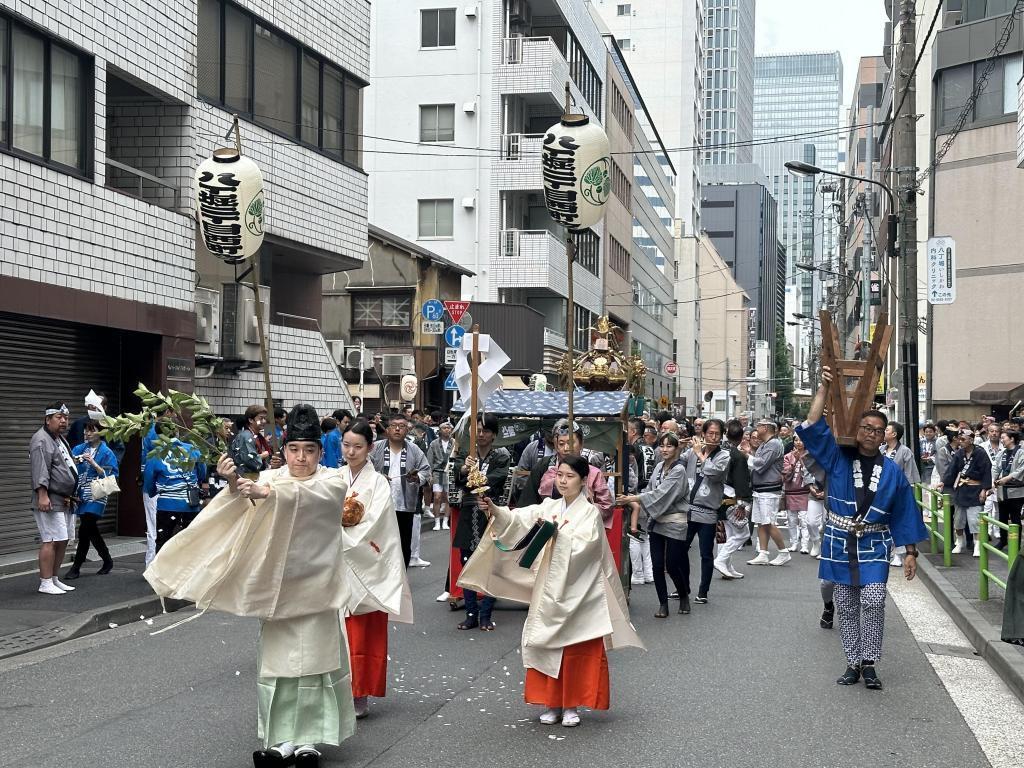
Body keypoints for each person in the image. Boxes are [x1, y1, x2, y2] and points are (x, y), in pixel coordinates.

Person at [145, 405, 355, 767]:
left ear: (321, 452)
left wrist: (268, 493)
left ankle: (309, 741)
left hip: (318, 589)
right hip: (277, 588)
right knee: (278, 669)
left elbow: (320, 502)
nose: (301, 457)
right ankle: (281, 740)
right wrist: (232, 483)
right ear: (284, 450)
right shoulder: (272, 478)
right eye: (294, 450)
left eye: (309, 450)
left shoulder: (332, 480)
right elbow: (241, 507)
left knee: (315, 668)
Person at [460, 455, 643, 727]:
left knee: (575, 649)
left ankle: (572, 705)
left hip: (579, 592)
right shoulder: (549, 507)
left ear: (583, 481)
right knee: (545, 644)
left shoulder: (590, 513)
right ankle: (552, 703)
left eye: (570, 476)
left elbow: (587, 548)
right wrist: (494, 509)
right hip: (549, 589)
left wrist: (556, 536)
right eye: (560, 475)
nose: (563, 480)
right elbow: (517, 519)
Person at [797, 366, 928, 690]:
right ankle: (853, 663)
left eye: (877, 429)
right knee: (845, 604)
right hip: (839, 540)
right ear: (857, 430)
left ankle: (870, 661)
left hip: (874, 542)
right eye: (866, 427)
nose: (871, 433)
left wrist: (910, 553)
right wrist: (824, 388)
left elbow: (904, 512)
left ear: (885, 435)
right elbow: (812, 426)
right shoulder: (837, 457)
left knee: (873, 598)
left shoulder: (893, 472)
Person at [339, 420, 413, 720]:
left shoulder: (378, 484)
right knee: (336, 632)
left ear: (370, 448)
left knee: (363, 632)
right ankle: (337, 690)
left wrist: (339, 534)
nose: (351, 451)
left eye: (358, 446)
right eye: (346, 445)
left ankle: (361, 692)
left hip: (364, 565)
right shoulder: (333, 477)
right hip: (335, 564)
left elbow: (376, 526)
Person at [616, 433, 689, 617]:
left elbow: (662, 494)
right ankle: (663, 603)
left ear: (676, 448)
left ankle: (683, 595)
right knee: (657, 565)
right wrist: (637, 497)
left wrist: (633, 498)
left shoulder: (679, 470)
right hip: (657, 520)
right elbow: (650, 491)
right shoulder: (658, 467)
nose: (665, 449)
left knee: (672, 564)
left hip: (674, 520)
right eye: (662, 446)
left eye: (669, 446)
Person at [451, 413, 512, 631]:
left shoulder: (501, 456)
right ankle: (470, 614)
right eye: (477, 429)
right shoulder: (466, 455)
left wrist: (475, 479)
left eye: (486, 430)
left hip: (491, 511)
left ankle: (485, 614)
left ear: (494, 434)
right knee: (468, 563)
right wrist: (466, 469)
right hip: (469, 512)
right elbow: (459, 481)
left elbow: (497, 479)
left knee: (491, 565)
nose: (481, 434)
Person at [519, 419, 613, 528]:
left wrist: (585, 509)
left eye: (571, 443)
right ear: (555, 445)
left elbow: (606, 506)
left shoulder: (594, 473)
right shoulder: (546, 468)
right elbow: (531, 502)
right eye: (561, 444)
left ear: (581, 443)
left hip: (583, 528)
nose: (566, 448)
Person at [30, 403, 79, 595]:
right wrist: (42, 495)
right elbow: (40, 469)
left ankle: (54, 578)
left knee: (63, 539)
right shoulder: (41, 440)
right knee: (50, 539)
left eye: (66, 417)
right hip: (49, 497)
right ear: (47, 419)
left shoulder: (59, 439)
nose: (64, 421)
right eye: (59, 417)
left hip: (64, 498)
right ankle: (45, 582)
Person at [369, 414, 430, 566]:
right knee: (380, 545)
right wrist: (377, 476)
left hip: (405, 505)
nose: (397, 429)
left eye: (402, 426)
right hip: (380, 506)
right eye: (393, 426)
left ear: (407, 430)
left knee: (403, 545)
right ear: (387, 429)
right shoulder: (376, 447)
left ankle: (401, 580)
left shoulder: (414, 450)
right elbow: (364, 466)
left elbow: (426, 470)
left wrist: (417, 478)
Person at [680, 419, 730, 603]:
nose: (714, 437)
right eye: (710, 433)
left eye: (717, 434)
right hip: (688, 509)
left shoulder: (724, 455)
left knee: (706, 554)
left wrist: (700, 454)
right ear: (703, 434)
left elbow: (714, 473)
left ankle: (703, 592)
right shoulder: (693, 451)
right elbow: (678, 461)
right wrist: (676, 445)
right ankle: (682, 587)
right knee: (680, 550)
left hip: (708, 511)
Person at [64, 421, 118, 579]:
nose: (87, 434)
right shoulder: (79, 449)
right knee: (91, 530)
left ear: (101, 432)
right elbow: (68, 467)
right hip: (81, 494)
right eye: (86, 431)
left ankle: (76, 567)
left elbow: (111, 476)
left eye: (91, 431)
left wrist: (94, 463)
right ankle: (107, 560)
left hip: (97, 494)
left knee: (85, 528)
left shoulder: (107, 452)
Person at [144, 423, 207, 553]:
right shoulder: (193, 450)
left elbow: (149, 483)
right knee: (191, 544)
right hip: (191, 504)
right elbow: (202, 473)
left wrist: (154, 492)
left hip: (166, 505)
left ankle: (163, 572)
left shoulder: (155, 454)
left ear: (159, 436)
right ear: (177, 431)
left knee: (163, 543)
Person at [744, 420, 791, 566]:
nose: (756, 430)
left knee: (768, 522)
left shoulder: (774, 444)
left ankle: (784, 552)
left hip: (769, 489)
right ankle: (763, 553)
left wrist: (747, 454)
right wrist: (749, 453)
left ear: (765, 428)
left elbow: (761, 464)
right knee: (761, 522)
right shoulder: (766, 443)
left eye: (758, 427)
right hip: (761, 488)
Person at [713, 419, 753, 579]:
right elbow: (741, 481)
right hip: (731, 498)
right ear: (741, 437)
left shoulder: (718, 451)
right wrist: (742, 503)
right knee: (743, 534)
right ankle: (722, 561)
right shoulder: (738, 456)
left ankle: (727, 567)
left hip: (716, 496)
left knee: (725, 534)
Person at [944, 429, 992, 557]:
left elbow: (987, 472)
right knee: (958, 520)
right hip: (961, 489)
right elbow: (952, 470)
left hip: (975, 490)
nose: (960, 442)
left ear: (971, 440)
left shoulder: (981, 454)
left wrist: (984, 490)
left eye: (963, 439)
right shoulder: (959, 453)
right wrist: (944, 482)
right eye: (959, 439)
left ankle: (977, 544)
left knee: (975, 520)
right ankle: (959, 542)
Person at [992, 429, 1024, 550]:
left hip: (1017, 491)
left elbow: (1021, 469)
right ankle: (1003, 540)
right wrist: (993, 481)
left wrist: (1007, 478)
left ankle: (1016, 544)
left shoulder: (1021, 452)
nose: (1001, 440)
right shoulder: (1002, 453)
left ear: (1012, 439)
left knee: (1015, 517)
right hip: (1002, 490)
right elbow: (995, 468)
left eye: (1004, 437)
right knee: (1002, 517)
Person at [783, 434, 813, 553]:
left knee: (804, 520)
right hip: (791, 492)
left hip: (805, 492)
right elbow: (785, 475)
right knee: (792, 520)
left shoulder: (810, 456)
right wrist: (794, 461)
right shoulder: (787, 457)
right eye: (796, 440)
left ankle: (805, 545)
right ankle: (793, 543)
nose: (799, 442)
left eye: (801, 440)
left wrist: (801, 460)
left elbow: (812, 473)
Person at [425, 420, 455, 530]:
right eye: (444, 428)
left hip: (450, 472)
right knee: (437, 497)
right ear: (440, 430)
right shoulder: (434, 443)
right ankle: (437, 521)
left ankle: (445, 521)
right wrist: (430, 475)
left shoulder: (455, 443)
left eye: (449, 428)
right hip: (437, 472)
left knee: (448, 498)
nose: (447, 430)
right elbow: (429, 460)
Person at [230, 405, 272, 475]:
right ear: (251, 420)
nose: (264, 421)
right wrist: (263, 455)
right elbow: (248, 460)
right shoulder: (246, 436)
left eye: (265, 418)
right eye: (261, 418)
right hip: (246, 476)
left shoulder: (257, 435)